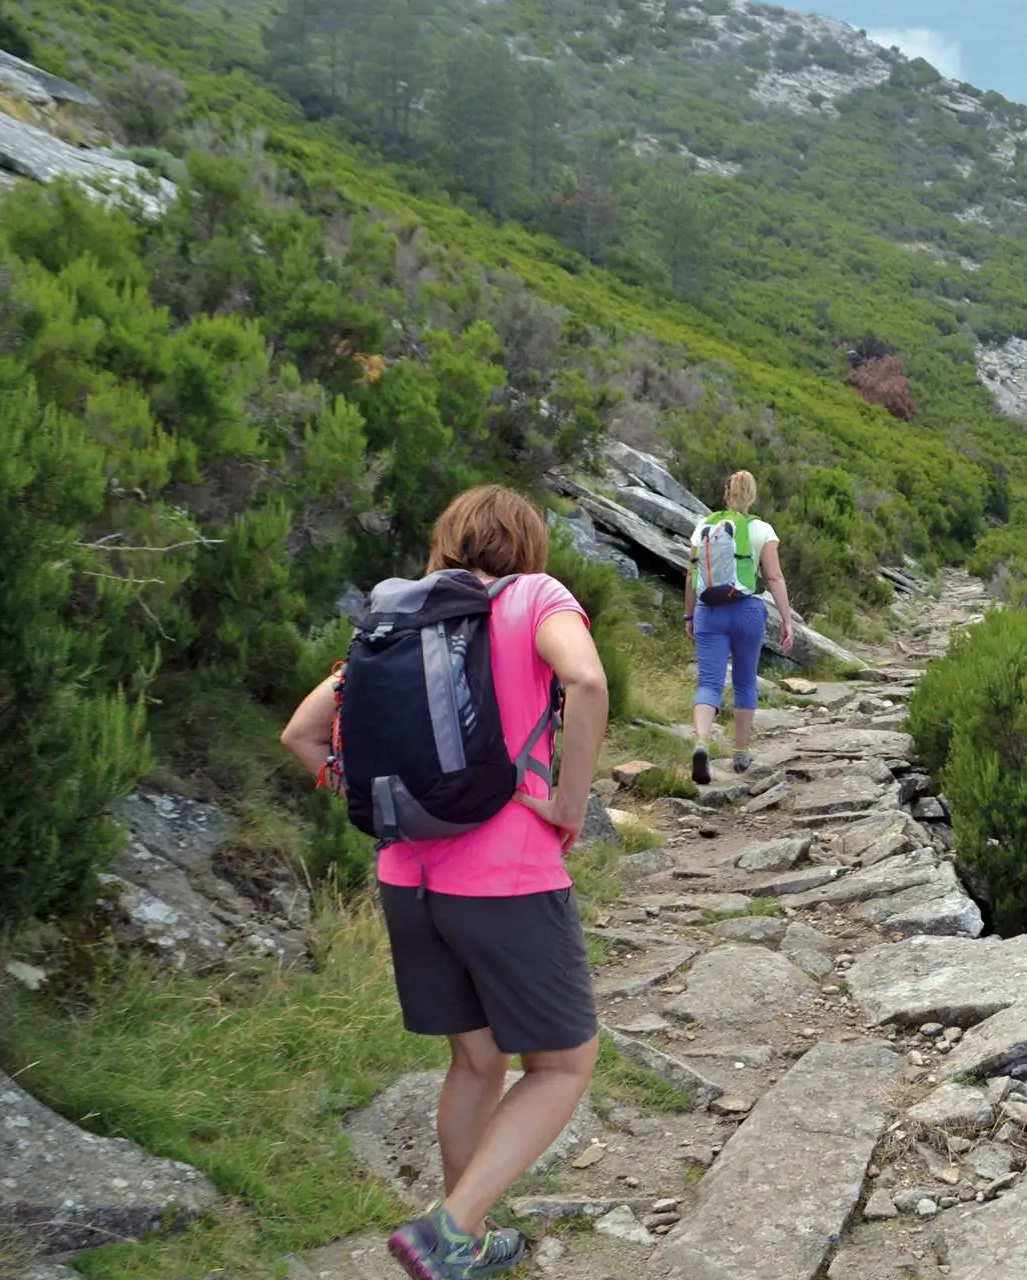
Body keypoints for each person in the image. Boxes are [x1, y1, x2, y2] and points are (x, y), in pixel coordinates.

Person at [280, 485, 607, 1280]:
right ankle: (452, 1230)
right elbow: (588, 681)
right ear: (527, 545)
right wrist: (569, 803)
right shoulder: (534, 596)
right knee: (564, 1064)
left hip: (408, 878)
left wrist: (401, 805)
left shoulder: (400, 619)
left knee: (475, 1063)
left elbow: (302, 734)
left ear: (447, 539)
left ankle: (467, 1238)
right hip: (507, 877)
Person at [684, 469, 794, 784]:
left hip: (709, 611)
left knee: (709, 682)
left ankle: (701, 742)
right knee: (745, 681)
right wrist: (787, 619)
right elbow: (773, 576)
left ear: (727, 492)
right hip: (747, 612)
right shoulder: (762, 529)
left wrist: (689, 615)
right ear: (753, 495)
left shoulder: (705, 525)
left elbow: (691, 575)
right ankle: (741, 753)